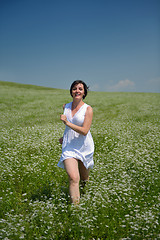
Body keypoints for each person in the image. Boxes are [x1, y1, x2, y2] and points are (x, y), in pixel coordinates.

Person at [57, 80, 94, 204]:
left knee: (84, 179)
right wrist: (65, 137)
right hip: (69, 147)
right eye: (74, 88)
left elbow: (84, 131)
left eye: (80, 89)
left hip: (84, 146)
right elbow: (68, 128)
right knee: (74, 178)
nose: (77, 91)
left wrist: (67, 123)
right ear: (71, 92)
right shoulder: (65, 106)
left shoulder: (88, 109)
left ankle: (84, 195)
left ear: (84, 93)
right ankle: (76, 211)